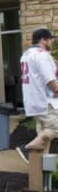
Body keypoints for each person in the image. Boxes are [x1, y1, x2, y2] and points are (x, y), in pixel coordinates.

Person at [15, 29, 58, 164]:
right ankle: (26, 149)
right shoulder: (42, 54)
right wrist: (57, 89)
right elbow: (49, 77)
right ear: (42, 40)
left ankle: (40, 168)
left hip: (33, 101)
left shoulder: (26, 54)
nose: (52, 41)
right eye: (50, 39)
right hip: (45, 101)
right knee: (54, 129)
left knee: (43, 133)